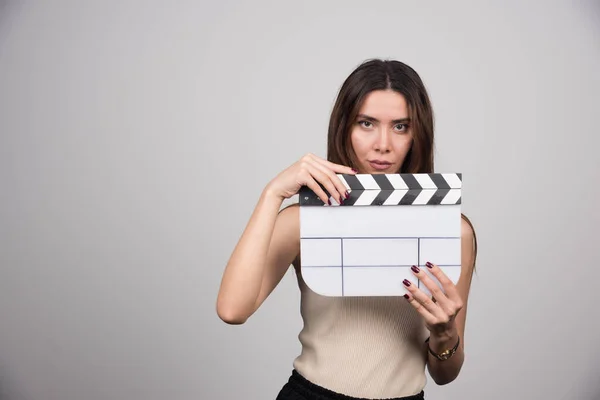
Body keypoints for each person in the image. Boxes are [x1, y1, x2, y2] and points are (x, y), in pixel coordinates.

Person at [216, 59, 478, 400]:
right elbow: (232, 310)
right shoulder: (303, 222)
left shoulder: (453, 232)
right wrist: (272, 194)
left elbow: (446, 374)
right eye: (366, 123)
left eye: (400, 126)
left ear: (418, 133)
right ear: (345, 127)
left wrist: (444, 334)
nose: (383, 144)